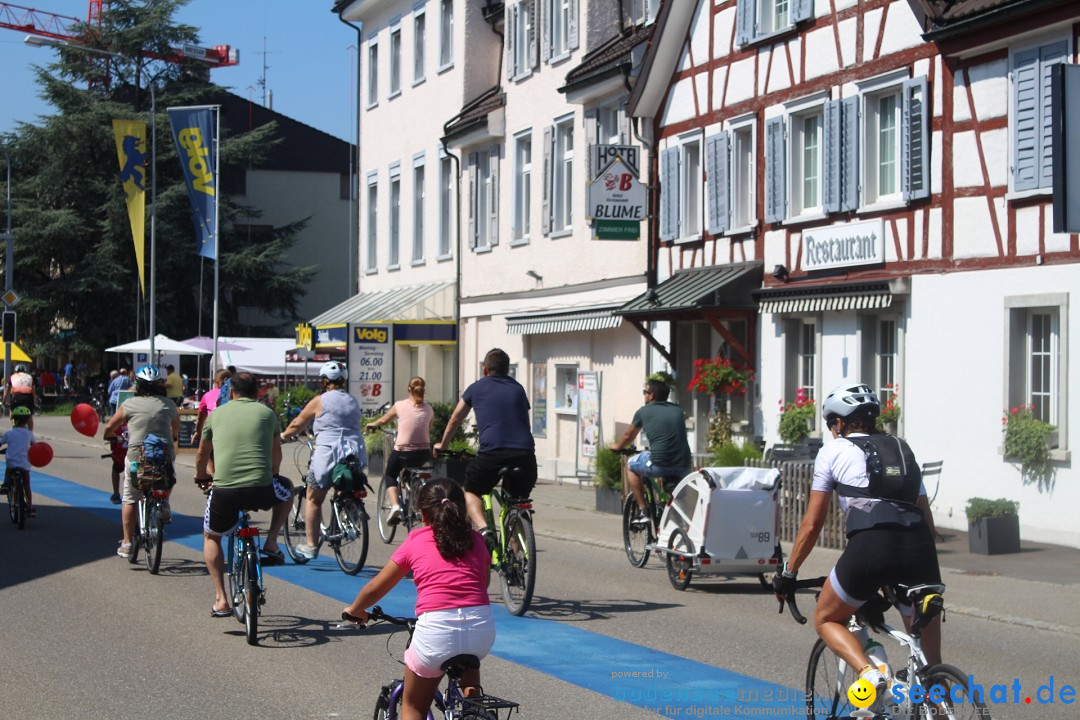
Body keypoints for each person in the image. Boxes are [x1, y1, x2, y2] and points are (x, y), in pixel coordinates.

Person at [772, 383, 942, 701]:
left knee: (826, 617)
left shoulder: (833, 451)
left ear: (839, 424)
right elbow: (928, 521)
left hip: (871, 547)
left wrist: (789, 571)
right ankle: (939, 697)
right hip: (920, 550)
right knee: (931, 666)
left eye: (831, 426)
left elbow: (812, 524)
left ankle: (869, 673)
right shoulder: (903, 449)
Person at [343, 478, 493, 720]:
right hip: (480, 630)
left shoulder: (416, 539)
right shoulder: (476, 540)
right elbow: (483, 584)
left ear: (423, 514)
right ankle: (474, 708)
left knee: (413, 706)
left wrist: (356, 608)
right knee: (469, 673)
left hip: (436, 633)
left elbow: (376, 587)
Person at [194, 372, 292, 617]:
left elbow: (202, 455)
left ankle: (221, 599)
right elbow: (276, 456)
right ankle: (271, 542)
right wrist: (272, 475)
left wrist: (202, 477)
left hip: (225, 490)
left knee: (211, 536)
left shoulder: (216, 416)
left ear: (230, 392)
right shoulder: (268, 414)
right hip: (262, 488)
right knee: (288, 490)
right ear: (257, 392)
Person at [433, 349, 537, 540]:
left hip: (492, 454)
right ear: (507, 370)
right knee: (515, 502)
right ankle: (517, 563)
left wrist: (444, 444)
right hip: (525, 456)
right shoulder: (518, 388)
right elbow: (525, 423)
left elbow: (456, 418)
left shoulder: (476, 388)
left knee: (471, 491)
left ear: (485, 369)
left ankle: (484, 529)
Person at [280, 361, 365, 559]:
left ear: (325, 381)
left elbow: (297, 423)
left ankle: (311, 545)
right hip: (354, 450)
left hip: (328, 451)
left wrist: (283, 437)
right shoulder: (352, 400)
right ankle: (350, 515)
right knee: (347, 485)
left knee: (313, 497)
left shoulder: (320, 400)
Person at [102, 366, 180, 558]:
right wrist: (173, 437)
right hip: (164, 453)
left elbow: (110, 427)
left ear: (137, 384)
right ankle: (165, 503)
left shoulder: (129, 405)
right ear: (160, 385)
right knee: (168, 476)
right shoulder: (169, 404)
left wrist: (110, 436)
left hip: (137, 455)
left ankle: (127, 542)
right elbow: (176, 431)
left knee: (130, 497)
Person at [609, 378, 693, 527]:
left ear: (651, 395)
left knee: (630, 465)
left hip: (659, 463)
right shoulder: (678, 410)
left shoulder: (643, 412)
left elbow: (629, 436)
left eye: (645, 392)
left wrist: (617, 446)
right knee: (677, 496)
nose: (644, 395)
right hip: (684, 465)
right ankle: (678, 527)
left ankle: (643, 511)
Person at [366, 376, 434, 525]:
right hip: (423, 452)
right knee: (413, 471)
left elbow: (383, 420)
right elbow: (428, 427)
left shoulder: (399, 405)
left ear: (408, 389)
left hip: (403, 451)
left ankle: (395, 505)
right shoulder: (429, 409)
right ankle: (415, 502)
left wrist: (373, 424)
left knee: (390, 473)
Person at [0, 406, 37, 516]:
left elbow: (1, 442)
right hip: (24, 464)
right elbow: (35, 445)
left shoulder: (9, 434)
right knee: (27, 486)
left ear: (14, 420)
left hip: (12, 463)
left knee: (9, 468)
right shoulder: (29, 434)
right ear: (27, 421)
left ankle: (6, 484)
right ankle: (30, 507)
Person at [193, 369, 231, 445]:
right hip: (229, 430)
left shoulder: (207, 395)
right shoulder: (233, 394)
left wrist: (198, 432)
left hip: (213, 431)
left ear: (215, 382)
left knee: (207, 453)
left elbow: (200, 416)